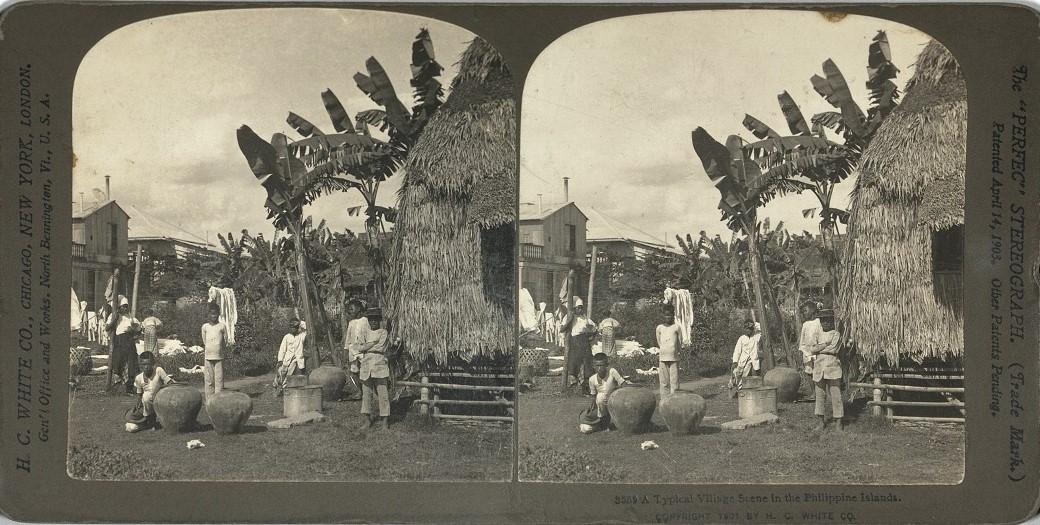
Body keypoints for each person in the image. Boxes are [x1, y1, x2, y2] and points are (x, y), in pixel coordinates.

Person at [810, 310, 844, 432]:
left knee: (836, 395)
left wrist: (820, 348)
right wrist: (825, 345)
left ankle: (838, 423)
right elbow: (811, 348)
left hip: (832, 367)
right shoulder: (816, 334)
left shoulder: (836, 334)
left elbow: (834, 350)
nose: (825, 322)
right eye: (822, 320)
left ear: (831, 321)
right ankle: (821, 423)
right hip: (819, 368)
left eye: (827, 320)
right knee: (819, 396)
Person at [357, 308, 391, 430]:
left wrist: (367, 347)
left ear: (379, 321)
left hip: (379, 365)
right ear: (368, 321)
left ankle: (385, 421)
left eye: (376, 320)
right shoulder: (364, 332)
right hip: (366, 366)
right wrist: (372, 344)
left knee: (383, 394)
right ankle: (367, 421)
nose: (374, 322)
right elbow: (359, 347)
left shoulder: (383, 332)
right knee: (366, 394)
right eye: (371, 320)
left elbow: (381, 348)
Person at [579, 353, 627, 434]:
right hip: (602, 405)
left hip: (615, 400)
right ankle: (601, 423)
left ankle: (605, 423)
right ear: (593, 366)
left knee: (601, 397)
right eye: (597, 366)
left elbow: (624, 385)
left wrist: (614, 389)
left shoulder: (612, 372)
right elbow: (593, 396)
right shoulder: (592, 379)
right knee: (585, 425)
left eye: (602, 365)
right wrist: (591, 407)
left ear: (607, 365)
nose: (599, 368)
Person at [133, 351, 176, 430]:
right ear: (140, 365)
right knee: (146, 397)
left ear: (153, 364)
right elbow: (139, 394)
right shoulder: (138, 378)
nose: (146, 367)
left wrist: (163, 387)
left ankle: (158, 420)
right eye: (143, 365)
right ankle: (149, 419)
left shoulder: (158, 370)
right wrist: (137, 405)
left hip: (160, 396)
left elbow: (169, 382)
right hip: (147, 401)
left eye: (148, 364)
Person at [106, 296, 141, 394]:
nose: (125, 309)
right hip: (120, 341)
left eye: (126, 306)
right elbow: (107, 328)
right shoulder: (113, 316)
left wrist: (133, 331)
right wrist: (115, 318)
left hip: (129, 341)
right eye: (123, 306)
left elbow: (138, 328)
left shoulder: (130, 317)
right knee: (118, 362)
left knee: (131, 363)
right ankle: (116, 386)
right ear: (119, 307)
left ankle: (129, 388)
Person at [568, 300, 597, 391]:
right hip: (575, 341)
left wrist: (592, 336)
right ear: (574, 309)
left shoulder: (585, 318)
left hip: (584, 341)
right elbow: (562, 329)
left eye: (581, 308)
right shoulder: (570, 317)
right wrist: (570, 319)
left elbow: (595, 327)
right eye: (578, 308)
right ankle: (574, 383)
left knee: (587, 363)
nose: (580, 310)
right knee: (575, 362)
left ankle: (586, 387)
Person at [342, 299, 368, 401]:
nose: (350, 311)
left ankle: (367, 391)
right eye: (349, 309)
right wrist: (346, 350)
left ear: (359, 309)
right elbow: (348, 338)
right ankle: (359, 391)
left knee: (365, 370)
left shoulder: (365, 321)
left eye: (352, 309)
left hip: (363, 350)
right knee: (354, 371)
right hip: (353, 350)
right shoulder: (351, 323)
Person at [200, 305, 228, 397]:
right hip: (208, 356)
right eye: (211, 314)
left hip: (219, 356)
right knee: (209, 379)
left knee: (219, 378)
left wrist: (220, 349)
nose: (213, 316)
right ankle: (209, 399)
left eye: (215, 314)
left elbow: (225, 340)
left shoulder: (222, 326)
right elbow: (204, 341)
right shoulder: (205, 327)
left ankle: (218, 398)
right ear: (208, 315)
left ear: (218, 315)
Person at [655, 304, 682, 398]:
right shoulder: (659, 328)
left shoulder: (676, 327)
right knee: (663, 381)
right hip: (663, 357)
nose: (667, 317)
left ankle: (674, 400)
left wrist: (675, 351)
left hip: (674, 357)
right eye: (666, 315)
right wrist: (664, 349)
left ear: (673, 316)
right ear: (663, 315)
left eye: (669, 315)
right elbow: (659, 341)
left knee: (674, 381)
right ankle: (664, 401)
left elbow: (679, 342)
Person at [798, 302, 823, 401]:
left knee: (818, 371)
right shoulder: (805, 324)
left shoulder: (818, 322)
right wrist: (802, 350)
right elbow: (802, 339)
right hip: (807, 352)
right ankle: (813, 393)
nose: (804, 313)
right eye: (803, 312)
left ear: (812, 310)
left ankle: (821, 392)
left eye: (805, 311)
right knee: (809, 372)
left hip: (817, 351)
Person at [273, 320, 306, 396]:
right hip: (286, 359)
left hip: (295, 359)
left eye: (294, 328)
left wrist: (299, 321)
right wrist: (280, 360)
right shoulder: (287, 337)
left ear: (297, 328)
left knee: (289, 375)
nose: (292, 329)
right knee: (281, 373)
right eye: (291, 328)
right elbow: (282, 349)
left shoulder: (301, 336)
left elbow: (307, 327)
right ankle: (275, 385)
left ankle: (285, 389)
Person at [729, 320, 761, 395]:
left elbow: (760, 328)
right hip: (742, 360)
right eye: (747, 329)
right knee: (736, 373)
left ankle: (740, 391)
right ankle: (730, 387)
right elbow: (737, 351)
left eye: (750, 329)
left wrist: (753, 324)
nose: (749, 331)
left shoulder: (756, 337)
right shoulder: (742, 338)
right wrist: (735, 361)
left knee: (745, 375)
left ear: (753, 329)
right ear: (744, 329)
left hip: (751, 360)